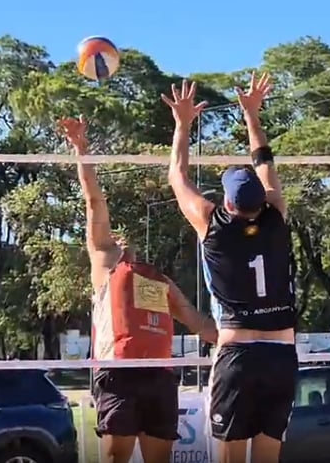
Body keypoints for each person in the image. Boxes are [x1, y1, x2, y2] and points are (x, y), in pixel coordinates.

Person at [60, 116, 218, 463]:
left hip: (159, 377)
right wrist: (81, 149)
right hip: (119, 372)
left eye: (124, 239)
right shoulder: (105, 263)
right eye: (114, 238)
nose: (120, 240)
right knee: (115, 457)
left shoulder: (159, 281)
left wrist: (244, 339)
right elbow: (94, 202)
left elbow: (200, 324)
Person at [162, 74, 298, 463]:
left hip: (238, 353)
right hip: (281, 353)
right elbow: (265, 161)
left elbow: (177, 176)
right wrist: (252, 115)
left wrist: (183, 124)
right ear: (260, 200)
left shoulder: (212, 223)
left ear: (227, 201)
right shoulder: (276, 215)